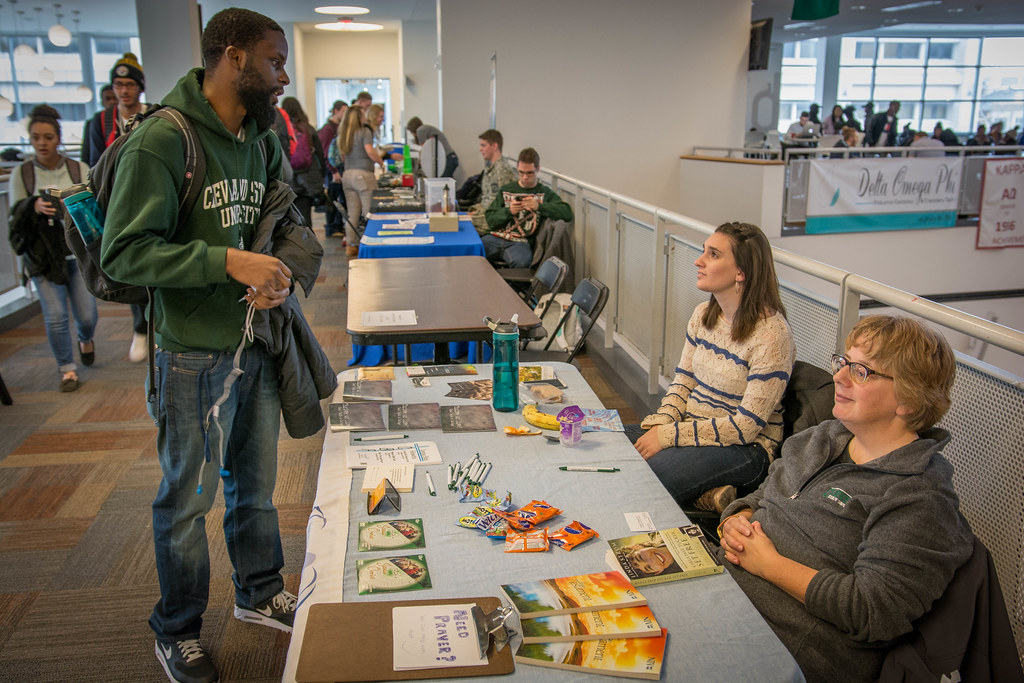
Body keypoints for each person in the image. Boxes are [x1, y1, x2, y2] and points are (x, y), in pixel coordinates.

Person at [100, 9, 306, 682]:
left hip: (255, 343)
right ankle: (178, 628)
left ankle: (258, 589)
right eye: (274, 60)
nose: (283, 75)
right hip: (188, 351)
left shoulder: (264, 135)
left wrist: (276, 272)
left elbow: (287, 218)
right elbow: (125, 253)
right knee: (187, 501)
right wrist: (227, 261)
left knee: (255, 487)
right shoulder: (164, 139)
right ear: (232, 57)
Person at [718, 315, 973, 682]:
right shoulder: (822, 437)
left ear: (910, 400)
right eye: (844, 362)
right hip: (725, 586)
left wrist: (768, 565)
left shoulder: (920, 496)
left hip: (782, 646)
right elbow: (764, 495)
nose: (838, 377)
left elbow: (872, 610)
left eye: (862, 372)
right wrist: (734, 516)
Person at [627, 222, 795, 514]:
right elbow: (683, 382)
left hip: (746, 449)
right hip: (692, 428)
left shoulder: (772, 336)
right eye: (704, 251)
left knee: (644, 479)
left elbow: (745, 428)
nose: (698, 260)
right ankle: (707, 497)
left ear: (741, 272)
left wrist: (667, 437)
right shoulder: (703, 314)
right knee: (611, 447)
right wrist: (662, 423)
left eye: (713, 254)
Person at [7, 105, 96, 393]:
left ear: (58, 138)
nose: (42, 143)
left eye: (47, 137)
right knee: (56, 315)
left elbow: (92, 206)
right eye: (36, 138)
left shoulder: (77, 169)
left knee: (86, 314)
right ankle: (67, 369)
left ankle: (85, 338)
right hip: (42, 257)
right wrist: (33, 206)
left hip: (77, 254)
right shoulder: (23, 174)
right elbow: (14, 217)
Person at [85, 52, 155, 363]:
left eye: (128, 84)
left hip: (152, 200)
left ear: (139, 88)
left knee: (156, 260)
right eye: (117, 85)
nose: (123, 90)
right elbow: (94, 168)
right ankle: (140, 326)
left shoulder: (156, 116)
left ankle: (157, 322)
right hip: (116, 206)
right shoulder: (99, 122)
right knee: (128, 264)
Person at [482, 147, 573, 269]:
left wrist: (539, 206)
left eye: (529, 173)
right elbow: (490, 219)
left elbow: (567, 213)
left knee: (522, 263)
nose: (525, 177)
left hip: (520, 242)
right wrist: (508, 211)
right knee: (471, 254)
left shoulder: (544, 193)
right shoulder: (507, 189)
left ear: (537, 169)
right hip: (495, 237)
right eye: (521, 173)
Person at [338, 103, 384, 258]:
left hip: (348, 175)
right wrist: (381, 162)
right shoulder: (364, 131)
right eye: (363, 114)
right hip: (363, 175)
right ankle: (369, 244)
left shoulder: (344, 134)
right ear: (359, 117)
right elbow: (370, 150)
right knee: (368, 213)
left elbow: (342, 157)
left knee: (352, 213)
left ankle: (351, 245)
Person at [280, 96, 326, 227]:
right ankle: (307, 244)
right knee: (305, 217)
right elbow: (319, 155)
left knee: (289, 219)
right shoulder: (308, 129)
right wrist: (320, 176)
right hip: (306, 179)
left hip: (288, 180)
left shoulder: (281, 131)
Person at [468, 129, 516, 235]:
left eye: (483, 145)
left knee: (462, 226)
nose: (480, 149)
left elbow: (499, 206)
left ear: (494, 146)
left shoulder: (502, 171)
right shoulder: (492, 168)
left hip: (494, 220)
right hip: (487, 213)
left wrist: (474, 216)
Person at [318, 100, 347, 238]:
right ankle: (331, 228)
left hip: (337, 169)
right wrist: (334, 171)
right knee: (332, 200)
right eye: (343, 111)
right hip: (332, 171)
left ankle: (337, 227)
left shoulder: (338, 127)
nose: (345, 114)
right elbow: (326, 152)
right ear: (336, 111)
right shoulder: (328, 129)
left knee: (338, 198)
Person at [80, 84, 117, 163]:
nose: (112, 102)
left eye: (115, 98)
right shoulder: (93, 122)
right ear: (102, 102)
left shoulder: (124, 121)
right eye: (108, 99)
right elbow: (86, 151)